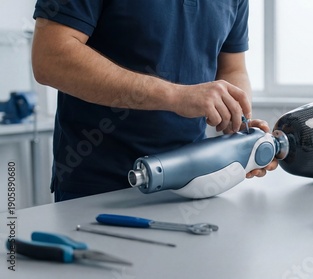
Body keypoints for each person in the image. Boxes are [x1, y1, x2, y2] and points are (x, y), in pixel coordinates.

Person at [31, 0, 278, 202]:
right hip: (97, 187)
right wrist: (176, 96)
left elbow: (233, 68)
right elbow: (50, 58)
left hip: (192, 182)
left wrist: (239, 122)